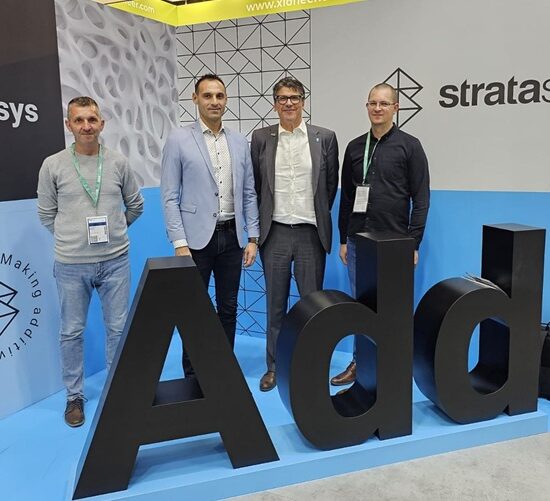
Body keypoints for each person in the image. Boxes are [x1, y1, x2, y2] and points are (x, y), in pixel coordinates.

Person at [37, 96, 144, 427]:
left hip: (115, 262)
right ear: (69, 125)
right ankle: (74, 396)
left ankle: (117, 390)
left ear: (102, 123)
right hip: (71, 265)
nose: (86, 126)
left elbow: (136, 205)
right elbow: (46, 214)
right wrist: (73, 239)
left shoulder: (118, 163)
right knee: (71, 331)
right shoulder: (52, 165)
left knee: (118, 329)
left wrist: (114, 232)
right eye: (79, 120)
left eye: (92, 119)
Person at [331, 82, 430, 386]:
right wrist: (344, 239)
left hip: (395, 244)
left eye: (384, 103)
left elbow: (421, 198)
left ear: (395, 108)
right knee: (361, 308)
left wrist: (413, 242)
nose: (377, 108)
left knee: (394, 308)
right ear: (367, 106)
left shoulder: (410, 146)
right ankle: (360, 364)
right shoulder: (354, 147)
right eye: (373, 103)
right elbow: (347, 198)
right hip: (359, 242)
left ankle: (394, 368)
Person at [161, 74, 259, 378]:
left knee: (228, 308)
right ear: (195, 99)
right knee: (193, 310)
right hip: (194, 242)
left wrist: (253, 236)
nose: (214, 102)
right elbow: (169, 196)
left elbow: (249, 192)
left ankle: (222, 369)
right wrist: (179, 242)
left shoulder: (239, 141)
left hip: (233, 237)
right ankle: (193, 375)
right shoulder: (178, 139)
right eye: (207, 96)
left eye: (219, 96)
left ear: (226, 100)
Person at [251, 76, 339, 391]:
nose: (289, 103)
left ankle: (310, 365)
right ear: (275, 104)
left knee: (312, 307)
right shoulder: (261, 138)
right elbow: (257, 186)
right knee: (275, 306)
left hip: (310, 235)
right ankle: (274, 367)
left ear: (303, 101)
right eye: (282, 98)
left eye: (295, 97)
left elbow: (330, 186)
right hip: (274, 233)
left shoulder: (324, 138)